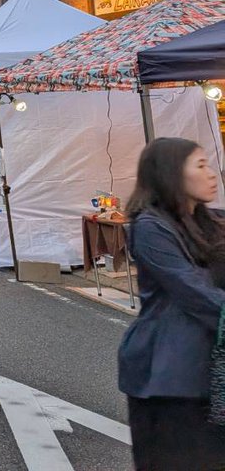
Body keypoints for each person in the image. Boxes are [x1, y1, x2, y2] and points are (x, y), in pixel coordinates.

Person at [119, 137, 225, 470]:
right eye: (200, 165)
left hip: (208, 368)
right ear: (171, 174)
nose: (212, 174)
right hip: (168, 373)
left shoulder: (208, 221)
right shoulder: (150, 227)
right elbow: (196, 292)